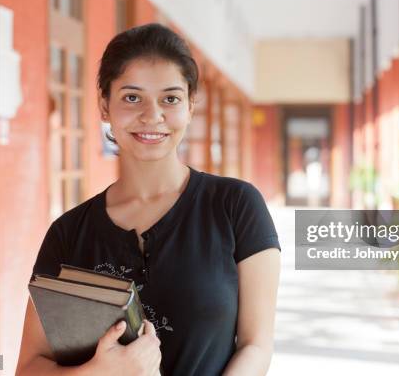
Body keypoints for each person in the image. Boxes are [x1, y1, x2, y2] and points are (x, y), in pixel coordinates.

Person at [15, 23, 281, 376]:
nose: (152, 116)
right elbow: (30, 367)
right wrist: (96, 372)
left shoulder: (236, 206)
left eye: (170, 98)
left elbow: (257, 345)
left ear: (190, 106)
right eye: (131, 97)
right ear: (104, 106)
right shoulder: (68, 233)